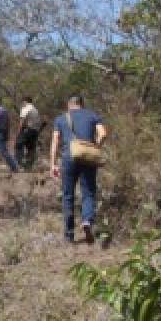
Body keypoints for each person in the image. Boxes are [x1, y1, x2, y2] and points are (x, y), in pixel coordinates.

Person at [49, 94, 108, 243]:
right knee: (88, 192)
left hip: (69, 158)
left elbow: (55, 141)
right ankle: (87, 220)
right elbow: (103, 134)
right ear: (82, 104)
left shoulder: (61, 118)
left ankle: (69, 235)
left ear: (69, 104)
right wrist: (95, 146)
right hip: (87, 157)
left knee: (68, 195)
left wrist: (53, 163)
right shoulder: (93, 115)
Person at [14, 96, 43, 170]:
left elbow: (22, 121)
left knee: (18, 145)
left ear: (25, 102)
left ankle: (20, 163)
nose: (22, 103)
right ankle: (28, 166)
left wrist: (18, 132)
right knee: (31, 148)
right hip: (35, 131)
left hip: (27, 130)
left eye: (23, 102)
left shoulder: (25, 108)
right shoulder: (35, 109)